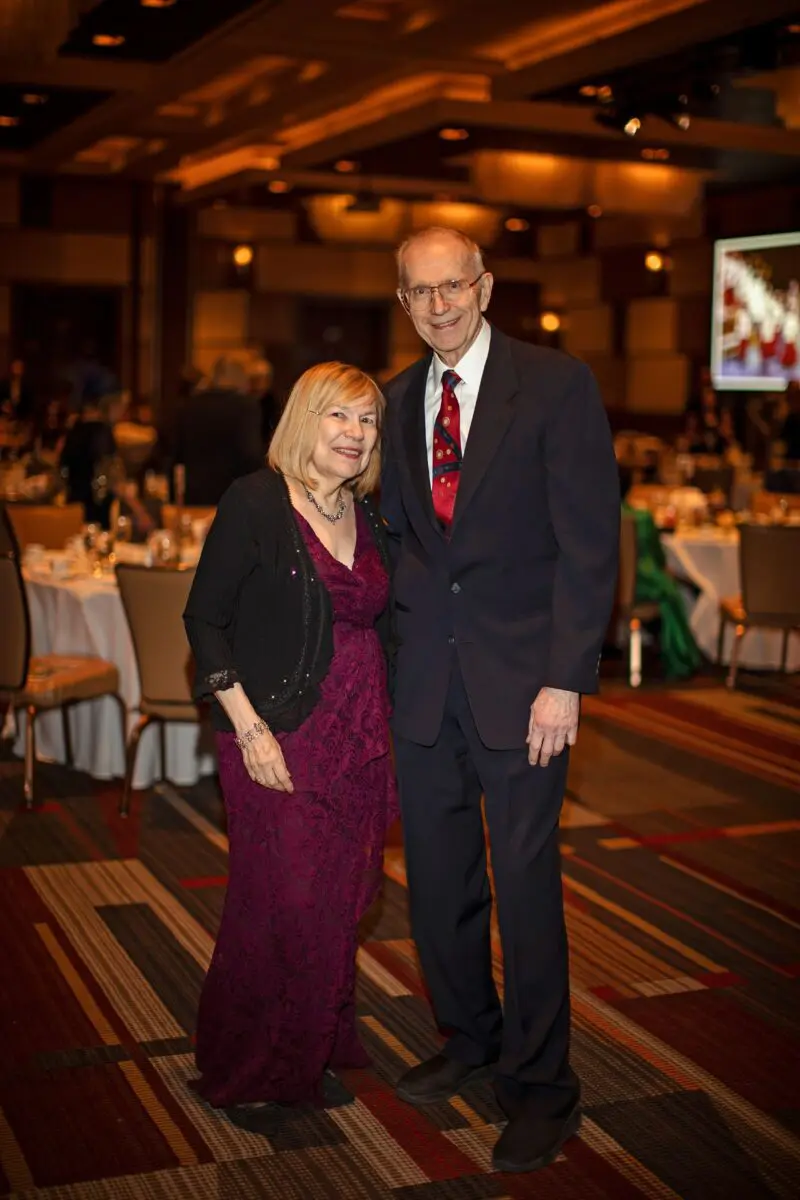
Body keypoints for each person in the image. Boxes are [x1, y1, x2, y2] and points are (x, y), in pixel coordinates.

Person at [381, 227, 620, 1173]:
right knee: (438, 886)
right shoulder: (399, 401)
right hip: (426, 688)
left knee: (523, 888)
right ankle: (470, 1039)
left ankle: (540, 1084)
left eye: (454, 285)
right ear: (403, 303)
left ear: (484, 286)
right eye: (420, 292)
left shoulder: (556, 386)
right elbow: (404, 547)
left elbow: (590, 544)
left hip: (528, 690)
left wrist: (566, 678)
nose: (440, 304)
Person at [183, 361, 397, 1114]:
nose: (355, 434)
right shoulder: (256, 503)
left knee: (348, 893)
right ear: (305, 419)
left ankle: (316, 1037)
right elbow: (203, 620)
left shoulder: (366, 515)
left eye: (367, 421)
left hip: (361, 735)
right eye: (339, 416)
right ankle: (251, 1062)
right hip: (279, 731)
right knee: (285, 899)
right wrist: (251, 731)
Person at [172, 358, 265, 505]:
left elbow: (176, 453)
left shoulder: (190, 406)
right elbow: (251, 454)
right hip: (234, 495)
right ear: (241, 381)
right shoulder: (246, 407)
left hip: (195, 495)